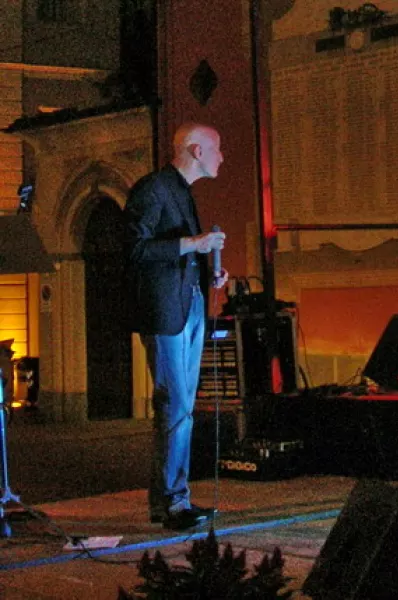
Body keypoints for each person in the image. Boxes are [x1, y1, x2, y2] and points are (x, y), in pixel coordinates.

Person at [124, 123, 228, 531]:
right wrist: (194, 245)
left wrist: (209, 270)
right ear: (196, 150)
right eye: (217, 149)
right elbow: (134, 248)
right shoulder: (152, 190)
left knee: (181, 407)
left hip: (188, 305)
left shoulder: (181, 191)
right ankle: (171, 503)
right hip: (166, 311)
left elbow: (181, 250)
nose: (222, 156)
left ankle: (174, 499)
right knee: (175, 405)